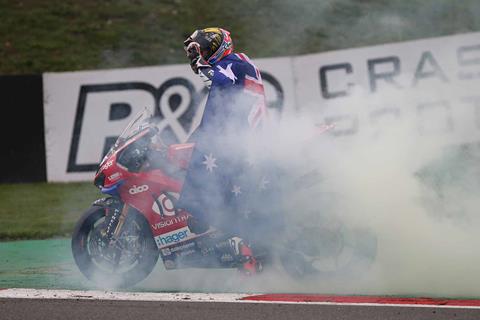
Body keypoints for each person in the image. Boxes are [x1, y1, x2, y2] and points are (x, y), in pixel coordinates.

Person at [177, 27, 268, 275]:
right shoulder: (238, 63)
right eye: (200, 52)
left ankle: (249, 254)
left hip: (243, 142)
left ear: (218, 47)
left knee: (225, 196)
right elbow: (218, 114)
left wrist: (201, 65)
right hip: (242, 139)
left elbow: (222, 80)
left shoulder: (233, 65)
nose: (202, 56)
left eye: (205, 50)